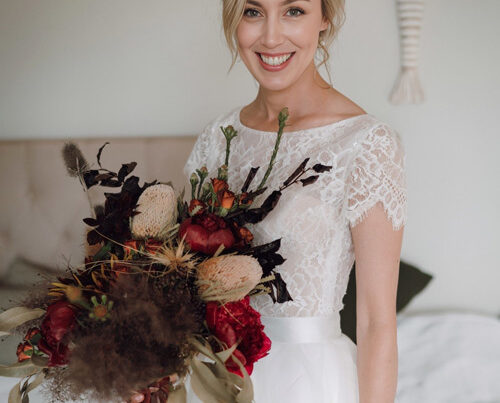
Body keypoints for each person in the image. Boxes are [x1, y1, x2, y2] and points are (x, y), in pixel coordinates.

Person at [131, 0, 407, 402]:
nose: (272, 36)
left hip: (308, 380)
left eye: (294, 10)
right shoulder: (218, 135)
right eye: (253, 11)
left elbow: (376, 322)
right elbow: (186, 283)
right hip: (215, 377)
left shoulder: (366, 143)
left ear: (325, 18)